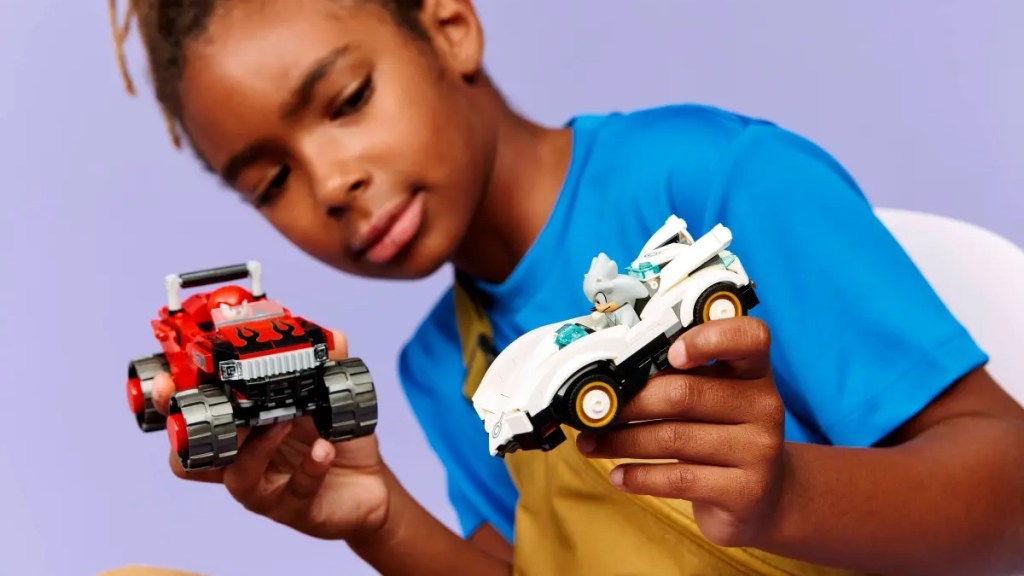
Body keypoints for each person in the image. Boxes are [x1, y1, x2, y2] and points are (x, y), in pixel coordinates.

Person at [105, 1, 1024, 574]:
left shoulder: (718, 184)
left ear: (448, 25)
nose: (330, 183)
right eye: (271, 183)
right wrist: (379, 518)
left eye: (347, 102)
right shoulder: (440, 361)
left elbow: (1009, 490)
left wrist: (783, 496)